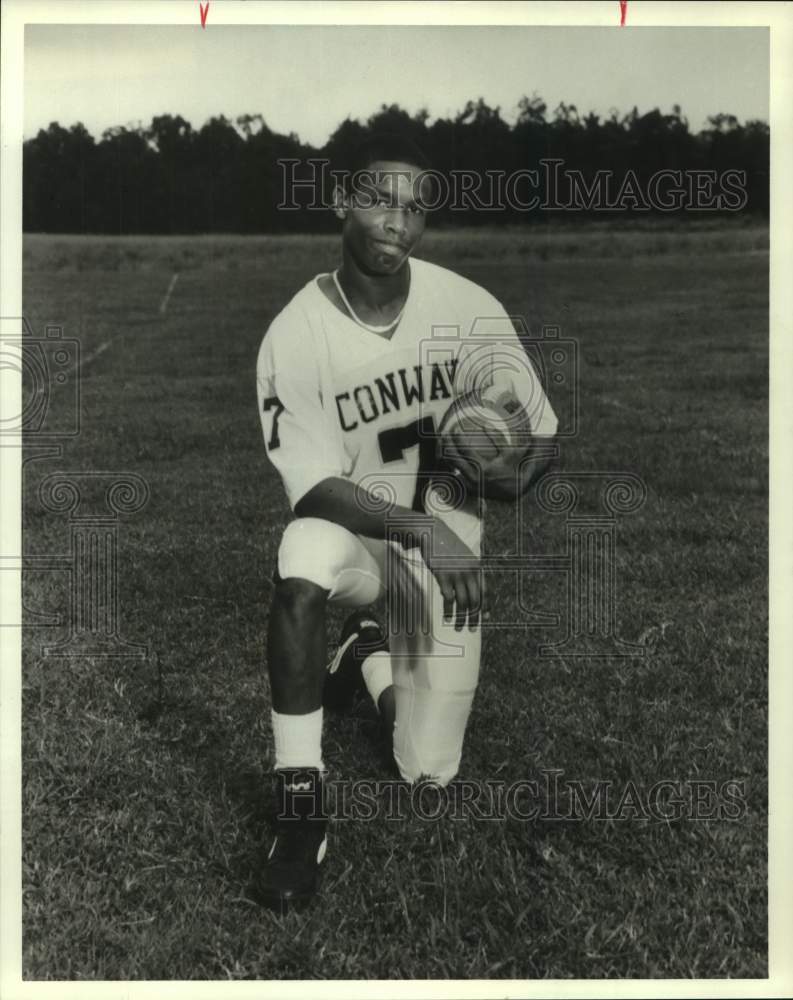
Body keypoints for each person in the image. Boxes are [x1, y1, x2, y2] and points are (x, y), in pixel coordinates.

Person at [255, 133, 558, 910]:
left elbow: (539, 439)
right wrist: (421, 530)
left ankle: (370, 657)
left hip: (443, 556)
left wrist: (511, 469)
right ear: (341, 204)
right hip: (367, 536)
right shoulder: (296, 331)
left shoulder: (465, 306)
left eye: (415, 207)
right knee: (300, 561)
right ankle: (299, 800)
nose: (398, 220)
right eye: (380, 199)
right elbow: (316, 486)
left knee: (426, 772)